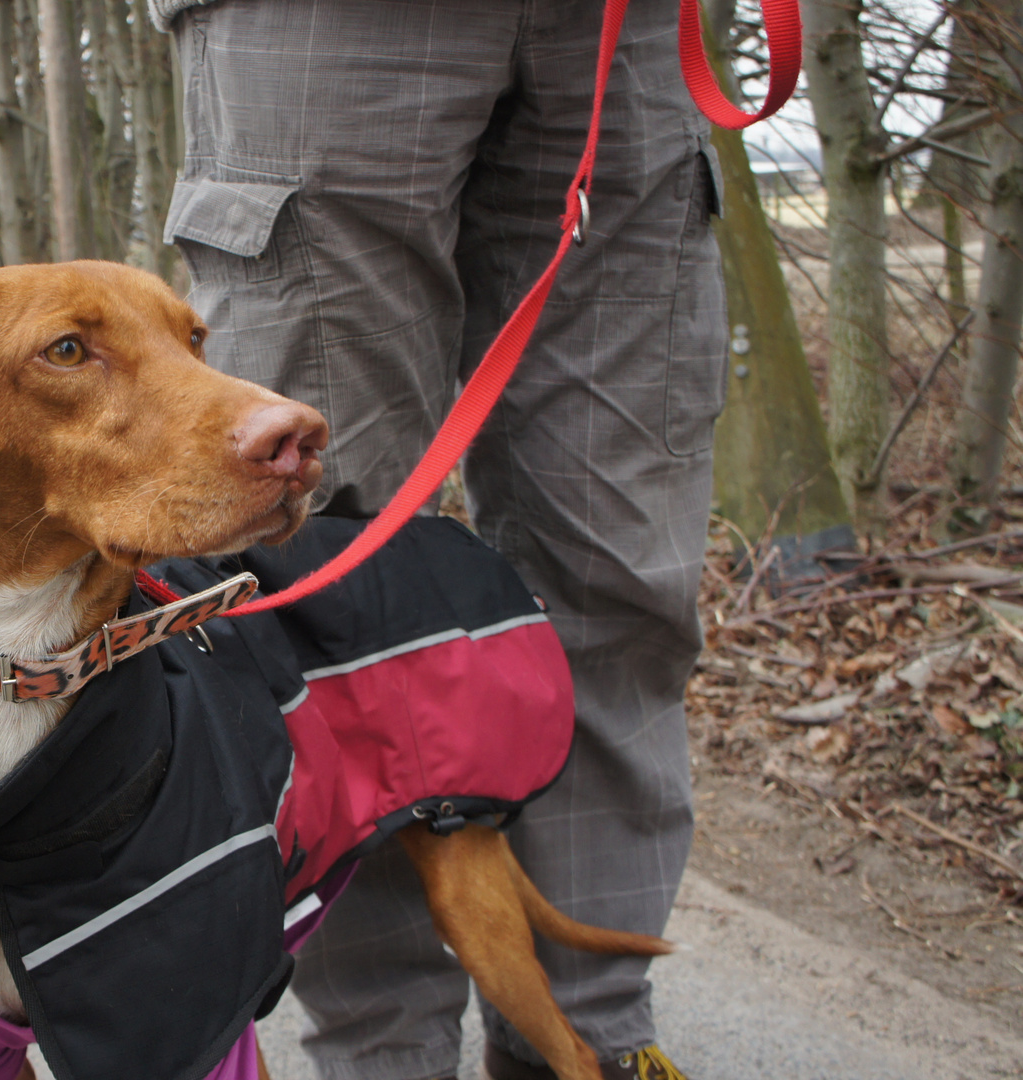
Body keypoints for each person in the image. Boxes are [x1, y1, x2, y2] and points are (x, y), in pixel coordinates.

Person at [151, 1, 724, 1078]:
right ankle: (385, 1056)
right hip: (320, 30)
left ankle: (585, 1043)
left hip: (621, 30)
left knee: (619, 574)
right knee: (325, 599)